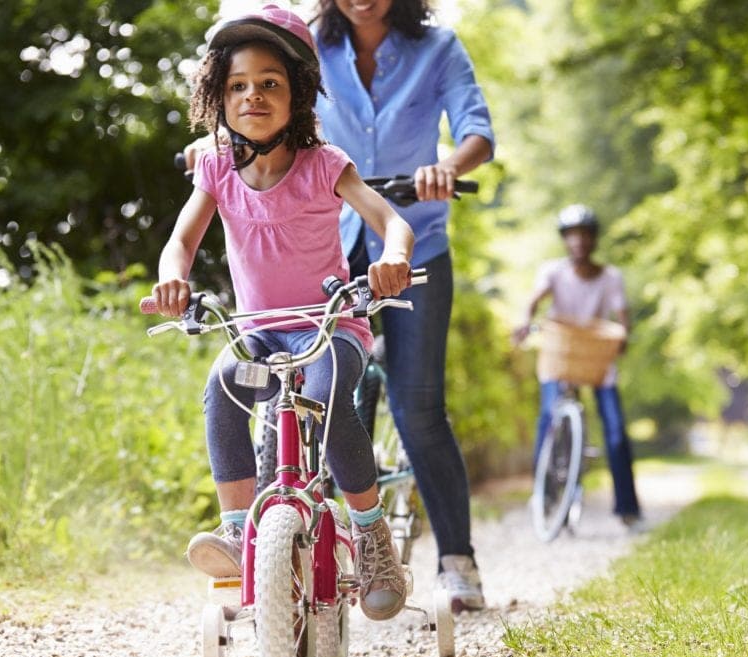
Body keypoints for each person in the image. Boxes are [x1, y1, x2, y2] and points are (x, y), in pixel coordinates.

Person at [151, 5, 416, 621]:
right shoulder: (217, 166)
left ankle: (373, 537)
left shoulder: (325, 163)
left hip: (330, 327)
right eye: (238, 85)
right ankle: (241, 528)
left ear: (298, 92)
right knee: (222, 391)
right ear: (218, 94)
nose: (252, 96)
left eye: (270, 83)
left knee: (327, 405)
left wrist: (393, 259)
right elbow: (182, 242)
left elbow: (390, 222)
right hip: (258, 336)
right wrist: (172, 280)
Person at [310, 0, 495, 613]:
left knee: (418, 408)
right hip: (331, 249)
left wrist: (446, 166)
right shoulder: (308, 46)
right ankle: (314, 552)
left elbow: (477, 131)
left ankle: (456, 560)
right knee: (324, 397)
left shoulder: (437, 49)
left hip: (418, 243)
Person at [512, 204, 643, 529]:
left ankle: (627, 509)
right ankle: (543, 495)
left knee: (615, 432)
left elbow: (621, 313)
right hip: (561, 354)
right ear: (565, 241)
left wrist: (624, 334)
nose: (579, 242)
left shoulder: (610, 277)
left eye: (585, 235)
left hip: (595, 355)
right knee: (548, 416)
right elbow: (534, 300)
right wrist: (525, 321)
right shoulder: (553, 272)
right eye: (572, 236)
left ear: (594, 240)